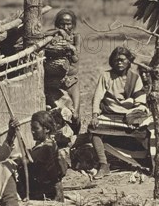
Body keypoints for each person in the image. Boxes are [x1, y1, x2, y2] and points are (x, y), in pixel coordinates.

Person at [89, 46, 150, 179]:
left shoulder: (135, 78)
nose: (119, 63)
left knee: (145, 131)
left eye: (122, 60)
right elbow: (98, 96)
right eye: (116, 60)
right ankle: (103, 164)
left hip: (130, 114)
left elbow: (140, 100)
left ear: (129, 61)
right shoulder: (106, 76)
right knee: (94, 130)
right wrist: (95, 115)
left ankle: (145, 160)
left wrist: (135, 116)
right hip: (110, 112)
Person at [17, 111, 68, 202]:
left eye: (36, 128)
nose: (32, 131)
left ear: (46, 129)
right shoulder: (47, 145)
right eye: (31, 128)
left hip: (45, 195)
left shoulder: (47, 148)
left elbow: (26, 161)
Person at [44, 9, 81, 123]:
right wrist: (59, 32)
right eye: (62, 23)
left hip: (71, 81)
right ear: (57, 24)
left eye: (68, 23)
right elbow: (44, 34)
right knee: (57, 113)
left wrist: (71, 48)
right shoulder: (52, 36)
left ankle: (75, 137)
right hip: (54, 81)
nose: (65, 26)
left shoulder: (76, 37)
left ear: (73, 24)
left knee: (75, 115)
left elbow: (76, 58)